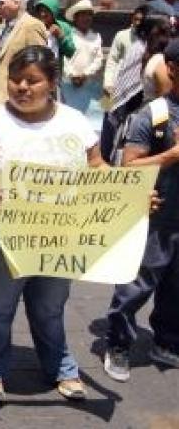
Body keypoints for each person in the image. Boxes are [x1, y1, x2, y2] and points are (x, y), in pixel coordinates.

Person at [0, 45, 98, 402]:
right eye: (15, 79)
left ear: (52, 82)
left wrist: (132, 197)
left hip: (59, 235)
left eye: (32, 80)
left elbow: (98, 170)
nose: (22, 87)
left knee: (51, 305)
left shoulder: (75, 121)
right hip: (0, 234)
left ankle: (61, 367)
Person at [102, 38, 179, 383]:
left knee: (176, 286)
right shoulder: (154, 114)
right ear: (173, 69)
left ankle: (166, 342)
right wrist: (169, 157)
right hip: (159, 213)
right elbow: (128, 168)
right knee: (141, 280)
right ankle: (118, 343)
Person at [101, 14, 172, 163]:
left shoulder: (144, 50)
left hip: (138, 108)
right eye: (166, 32)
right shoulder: (157, 60)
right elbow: (112, 61)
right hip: (150, 117)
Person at [60, 0, 104, 120]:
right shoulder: (68, 35)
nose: (87, 18)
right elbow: (63, 58)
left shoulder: (96, 37)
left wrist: (85, 74)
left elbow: (98, 60)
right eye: (83, 15)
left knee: (88, 120)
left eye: (89, 15)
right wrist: (72, 75)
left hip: (88, 85)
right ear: (75, 17)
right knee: (68, 118)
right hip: (68, 84)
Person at [104, 6, 147, 98]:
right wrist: (108, 83)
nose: (138, 23)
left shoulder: (148, 39)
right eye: (136, 19)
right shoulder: (121, 35)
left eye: (141, 20)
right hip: (117, 83)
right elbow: (112, 60)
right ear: (132, 18)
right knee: (107, 109)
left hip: (138, 86)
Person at [35, 0, 76, 65]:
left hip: (55, 71)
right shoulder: (33, 26)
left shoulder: (64, 27)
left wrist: (61, 37)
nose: (42, 14)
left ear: (54, 13)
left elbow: (71, 52)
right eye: (40, 11)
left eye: (46, 11)